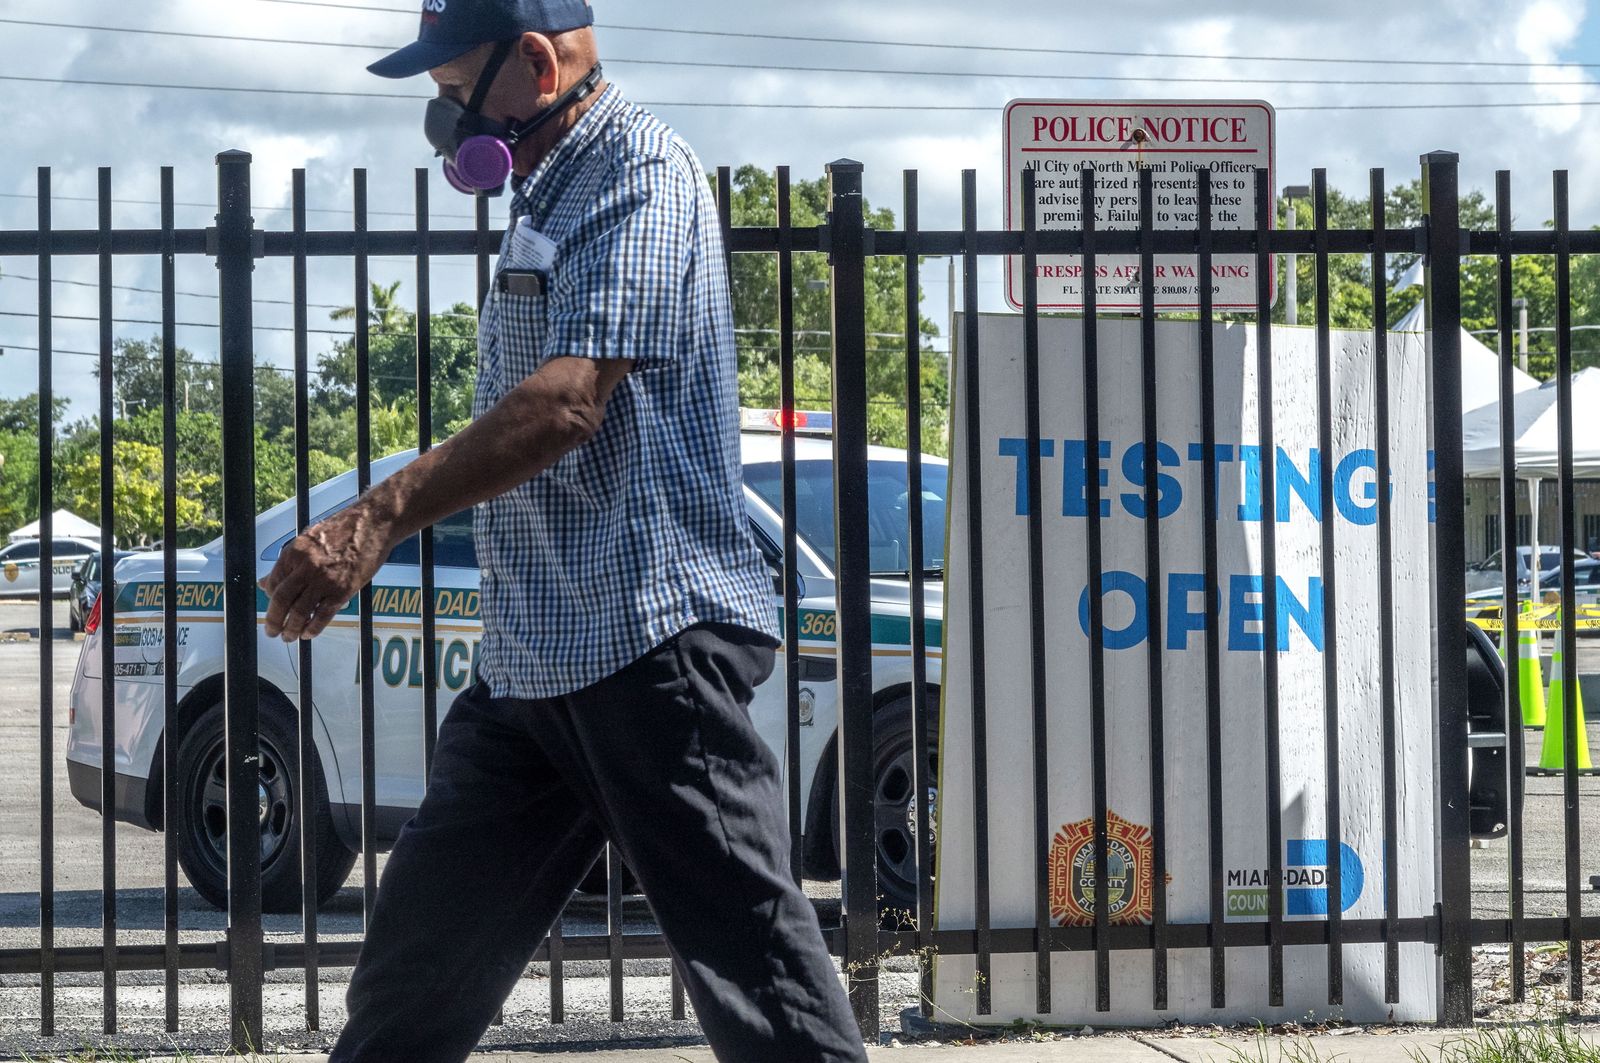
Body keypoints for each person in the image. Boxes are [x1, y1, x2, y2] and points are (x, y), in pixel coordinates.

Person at [258, 2, 869, 1060]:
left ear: (534, 63)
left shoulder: (640, 172)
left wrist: (381, 511)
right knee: (413, 978)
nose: (446, 126)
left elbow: (566, 403)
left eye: (454, 96)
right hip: (534, 659)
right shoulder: (547, 186)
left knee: (765, 991)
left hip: (650, 641)